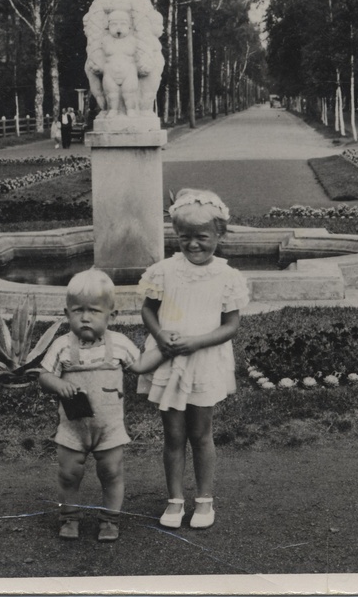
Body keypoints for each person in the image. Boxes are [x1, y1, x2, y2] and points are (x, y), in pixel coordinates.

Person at [137, 189, 250, 530]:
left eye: (202, 237)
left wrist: (196, 342)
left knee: (201, 434)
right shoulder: (164, 271)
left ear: (220, 235)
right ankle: (174, 500)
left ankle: (204, 500)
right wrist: (160, 337)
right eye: (184, 237)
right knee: (172, 435)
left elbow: (231, 325)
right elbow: (148, 309)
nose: (193, 245)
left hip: (203, 361)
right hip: (170, 360)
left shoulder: (227, 276)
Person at [38, 269, 161, 542]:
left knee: (111, 472)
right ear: (66, 313)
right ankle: (69, 517)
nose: (84, 317)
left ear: (111, 316)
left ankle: (109, 520)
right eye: (77, 310)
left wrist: (164, 350)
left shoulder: (119, 345)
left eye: (93, 311)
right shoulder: (61, 346)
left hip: (109, 428)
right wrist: (58, 385)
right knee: (69, 473)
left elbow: (140, 366)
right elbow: (44, 376)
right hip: (72, 429)